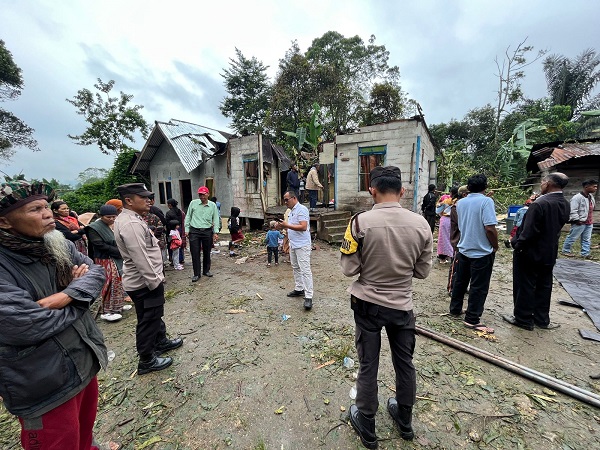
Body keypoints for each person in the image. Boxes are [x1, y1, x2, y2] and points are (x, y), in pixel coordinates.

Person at [0, 180, 107, 449]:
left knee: (84, 435)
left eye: (47, 206)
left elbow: (95, 272)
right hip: (42, 382)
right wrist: (81, 298)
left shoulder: (54, 244)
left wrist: (66, 295)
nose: (48, 214)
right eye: (35, 209)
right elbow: (27, 325)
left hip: (82, 360)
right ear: (4, 223)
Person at [339, 166, 433, 448]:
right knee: (404, 362)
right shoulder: (422, 224)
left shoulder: (358, 223)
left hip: (367, 304)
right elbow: (423, 272)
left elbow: (349, 268)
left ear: (372, 190)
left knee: (369, 362)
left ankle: (366, 420)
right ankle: (404, 418)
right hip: (402, 306)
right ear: (402, 192)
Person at [113, 183, 183, 375]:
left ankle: (160, 341)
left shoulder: (132, 218)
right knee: (148, 319)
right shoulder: (131, 224)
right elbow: (140, 257)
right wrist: (155, 281)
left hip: (144, 280)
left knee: (154, 315)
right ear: (129, 200)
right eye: (143, 197)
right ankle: (146, 359)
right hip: (145, 282)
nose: (148, 200)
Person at [503, 173, 570, 331]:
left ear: (548, 184)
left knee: (525, 284)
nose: (541, 184)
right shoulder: (565, 203)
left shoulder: (540, 204)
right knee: (544, 285)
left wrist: (517, 245)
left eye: (543, 182)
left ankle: (523, 318)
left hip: (530, 252)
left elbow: (528, 232)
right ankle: (541, 319)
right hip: (549, 251)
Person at [449, 174, 498, 333]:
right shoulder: (486, 201)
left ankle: (455, 309)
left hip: (464, 248)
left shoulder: (461, 202)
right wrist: (495, 246)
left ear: (468, 187)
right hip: (481, 251)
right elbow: (490, 228)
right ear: (485, 187)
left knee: (460, 281)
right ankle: (472, 319)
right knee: (479, 286)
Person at [86, 204, 132, 322]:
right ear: (101, 216)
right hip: (104, 258)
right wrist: (119, 251)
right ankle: (107, 311)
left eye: (114, 217)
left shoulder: (112, 225)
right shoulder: (94, 228)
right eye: (108, 217)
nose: (112, 219)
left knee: (119, 281)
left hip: (115, 257)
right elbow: (100, 245)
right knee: (110, 282)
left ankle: (118, 305)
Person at [277, 190, 314, 310]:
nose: (285, 202)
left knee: (305, 270)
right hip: (293, 244)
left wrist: (286, 226)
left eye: (287, 199)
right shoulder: (291, 211)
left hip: (302, 245)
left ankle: (309, 296)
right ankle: (299, 288)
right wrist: (282, 226)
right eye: (284, 199)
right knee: (296, 267)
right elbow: (291, 226)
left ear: (294, 198)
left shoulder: (302, 209)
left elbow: (303, 227)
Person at [185, 186, 220, 281]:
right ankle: (196, 274)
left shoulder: (212, 205)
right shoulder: (193, 203)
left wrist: (216, 232)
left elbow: (216, 218)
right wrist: (186, 229)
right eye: (200, 195)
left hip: (207, 231)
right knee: (195, 253)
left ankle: (206, 270)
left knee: (207, 252)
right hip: (194, 231)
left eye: (204, 195)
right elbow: (188, 216)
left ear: (208, 194)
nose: (202, 197)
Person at [562, 179, 598, 258]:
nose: (596, 188)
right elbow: (573, 210)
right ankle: (566, 250)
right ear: (586, 187)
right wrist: (577, 220)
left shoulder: (591, 197)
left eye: (596, 187)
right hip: (579, 222)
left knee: (586, 239)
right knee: (572, 237)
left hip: (589, 222)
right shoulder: (577, 198)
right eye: (594, 187)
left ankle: (585, 253)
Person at [448, 185, 468, 294]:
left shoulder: (466, 206)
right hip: (458, 240)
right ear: (464, 195)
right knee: (455, 265)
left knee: (465, 267)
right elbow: (461, 223)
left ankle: (463, 287)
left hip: (466, 240)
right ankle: (451, 287)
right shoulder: (456, 207)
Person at [145, 198, 167, 264]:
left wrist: (152, 233)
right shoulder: (136, 218)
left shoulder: (153, 216)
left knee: (159, 262)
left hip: (156, 242)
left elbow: (160, 227)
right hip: (144, 246)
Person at [436, 189, 455, 263]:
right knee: (453, 237)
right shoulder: (459, 201)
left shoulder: (445, 200)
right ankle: (452, 255)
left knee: (443, 239)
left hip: (445, 220)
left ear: (451, 193)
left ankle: (442, 257)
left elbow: (437, 211)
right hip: (455, 221)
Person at [165, 198, 186, 266]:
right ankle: (181, 258)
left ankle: (173, 260)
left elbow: (167, 223)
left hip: (171, 232)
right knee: (179, 244)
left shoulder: (169, 213)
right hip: (179, 230)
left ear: (170, 205)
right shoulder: (180, 211)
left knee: (172, 246)